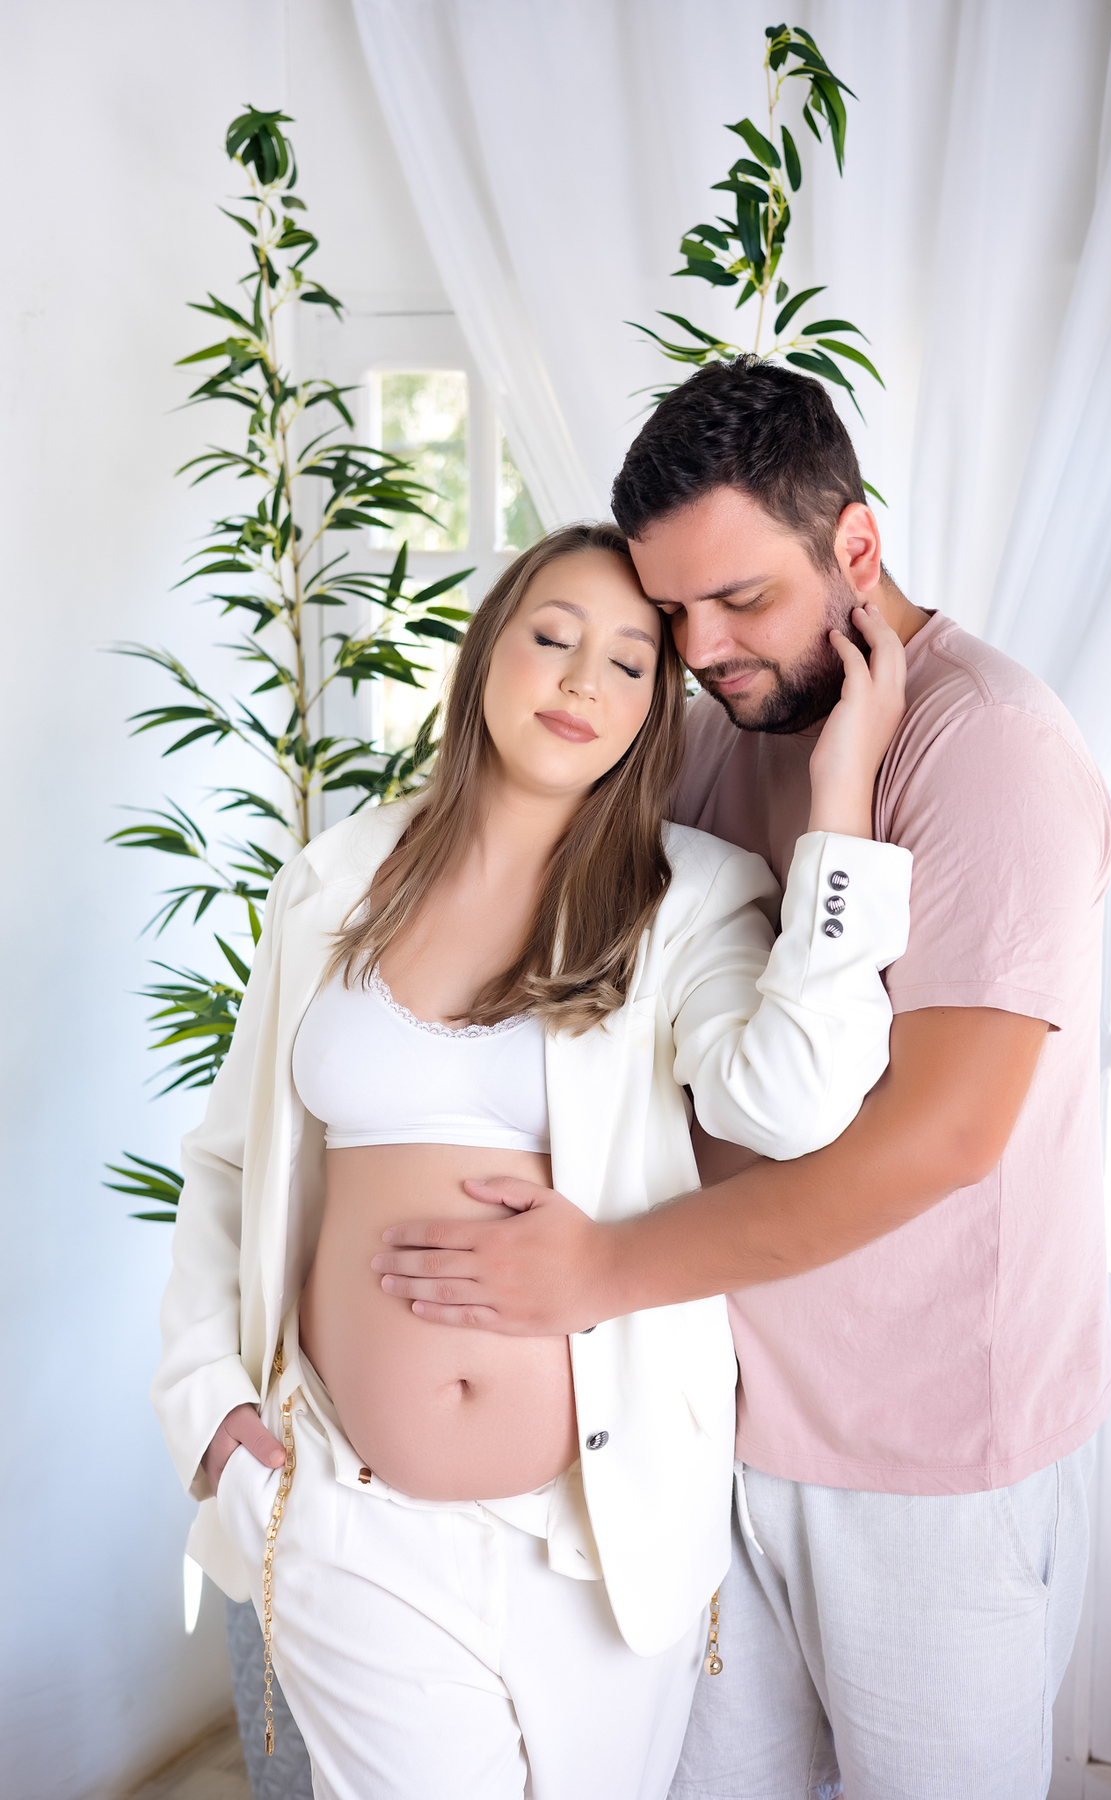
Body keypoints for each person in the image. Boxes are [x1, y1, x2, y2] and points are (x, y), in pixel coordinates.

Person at [374, 363, 1111, 1800]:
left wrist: (600, 1272)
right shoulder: (723, 728)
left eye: (743, 599)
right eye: (674, 611)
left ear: (856, 545)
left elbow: (943, 1137)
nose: (702, 648)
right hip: (711, 1426)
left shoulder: (988, 749)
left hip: (929, 1463)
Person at [152, 521, 914, 1800]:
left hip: (596, 1538)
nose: (580, 682)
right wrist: (210, 1409)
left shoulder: (687, 897)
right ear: (485, 653)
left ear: (655, 709)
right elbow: (227, 1165)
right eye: (552, 637)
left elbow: (792, 1105)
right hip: (347, 1506)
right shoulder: (335, 882)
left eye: (628, 663)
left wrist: (842, 807)